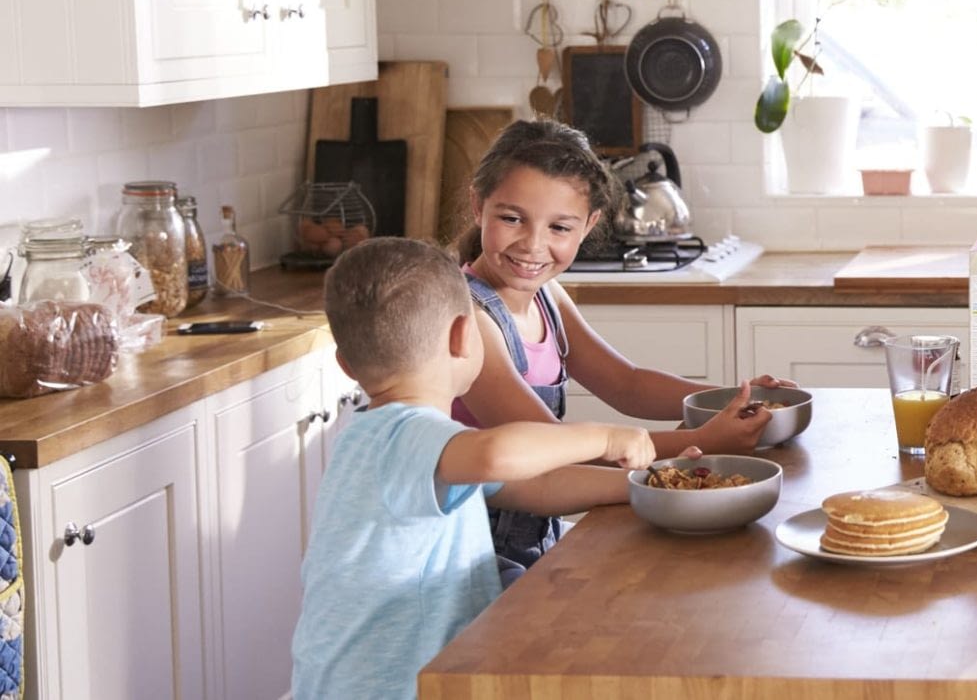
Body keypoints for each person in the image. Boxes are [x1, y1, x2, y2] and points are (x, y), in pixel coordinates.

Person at [291, 237, 658, 700]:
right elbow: (495, 455)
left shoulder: (373, 440)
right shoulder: (411, 435)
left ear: (345, 364)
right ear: (463, 336)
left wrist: (643, 485)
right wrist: (604, 437)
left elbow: (535, 486)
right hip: (393, 686)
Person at [451, 120, 794, 582]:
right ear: (478, 205)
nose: (533, 245)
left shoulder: (548, 297)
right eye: (512, 219)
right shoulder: (467, 315)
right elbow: (552, 444)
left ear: (589, 224)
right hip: (472, 559)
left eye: (559, 226)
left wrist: (738, 400)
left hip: (536, 540)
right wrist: (705, 443)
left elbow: (627, 383)